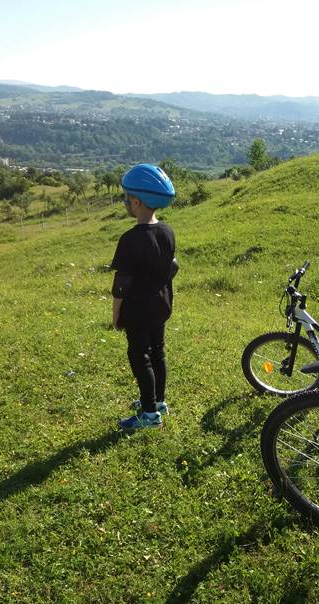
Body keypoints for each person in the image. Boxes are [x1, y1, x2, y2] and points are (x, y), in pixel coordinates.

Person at [110, 164, 177, 430]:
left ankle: (149, 415)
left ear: (137, 201)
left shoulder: (129, 239)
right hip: (160, 305)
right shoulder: (168, 231)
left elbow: (122, 284)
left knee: (141, 357)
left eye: (127, 198)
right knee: (158, 353)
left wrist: (116, 313)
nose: (126, 202)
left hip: (137, 309)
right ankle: (158, 401)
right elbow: (171, 267)